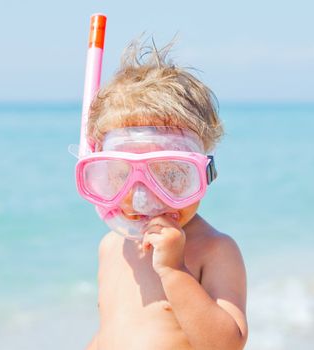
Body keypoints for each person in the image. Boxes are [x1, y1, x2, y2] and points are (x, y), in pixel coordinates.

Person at [83, 40, 248, 350]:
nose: (145, 196)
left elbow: (227, 345)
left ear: (204, 173)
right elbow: (111, 332)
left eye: (171, 175)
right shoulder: (111, 246)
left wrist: (174, 271)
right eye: (122, 175)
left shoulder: (215, 250)